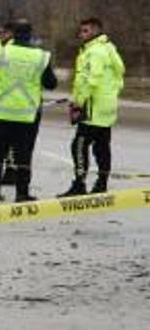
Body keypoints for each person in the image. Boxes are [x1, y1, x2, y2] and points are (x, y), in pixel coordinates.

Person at [0, 20, 57, 203]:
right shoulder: (41, 56)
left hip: (2, 113)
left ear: (13, 34)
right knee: (24, 155)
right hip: (28, 115)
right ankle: (22, 193)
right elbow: (51, 84)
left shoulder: (1, 52)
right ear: (30, 34)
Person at [58, 17, 124, 196]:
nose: (81, 34)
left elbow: (91, 79)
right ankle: (102, 183)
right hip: (106, 108)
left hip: (92, 108)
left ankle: (79, 184)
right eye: (81, 31)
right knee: (102, 146)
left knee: (79, 145)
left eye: (85, 31)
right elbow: (120, 74)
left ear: (96, 31)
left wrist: (79, 100)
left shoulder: (94, 52)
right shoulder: (109, 49)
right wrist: (111, 95)